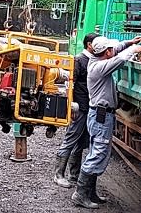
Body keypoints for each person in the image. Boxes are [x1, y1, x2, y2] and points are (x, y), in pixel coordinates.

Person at [72, 35, 141, 209]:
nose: (113, 50)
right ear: (106, 52)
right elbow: (119, 59)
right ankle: (80, 194)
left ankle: (90, 193)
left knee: (99, 152)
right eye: (110, 49)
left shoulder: (99, 59)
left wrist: (129, 43)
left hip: (100, 115)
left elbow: (117, 50)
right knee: (98, 153)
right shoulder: (98, 67)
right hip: (100, 116)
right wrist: (133, 50)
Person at [52, 32, 99, 188]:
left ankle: (74, 175)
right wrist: (71, 105)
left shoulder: (92, 60)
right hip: (80, 108)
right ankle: (58, 174)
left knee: (81, 143)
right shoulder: (79, 60)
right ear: (89, 45)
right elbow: (70, 84)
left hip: (88, 107)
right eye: (96, 43)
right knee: (70, 140)